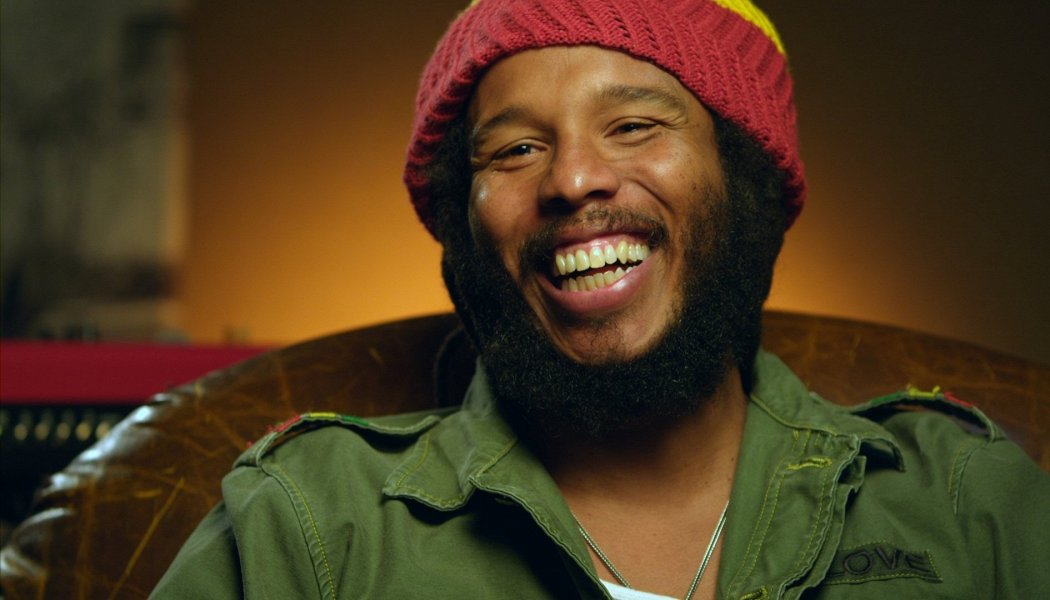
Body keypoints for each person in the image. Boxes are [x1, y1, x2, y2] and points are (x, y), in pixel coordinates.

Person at [151, 0, 1050, 598]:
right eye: (514, 150)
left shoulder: (964, 501)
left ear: (743, 183)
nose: (574, 178)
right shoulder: (303, 525)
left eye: (634, 125)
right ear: (465, 224)